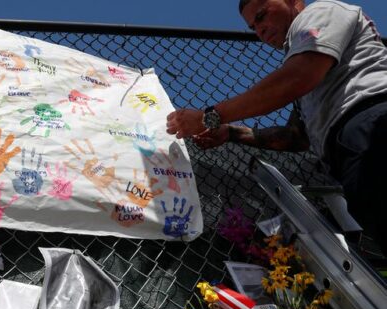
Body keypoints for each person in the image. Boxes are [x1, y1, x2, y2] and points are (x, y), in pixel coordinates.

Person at [166, 0, 387, 252]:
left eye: (262, 16)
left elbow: (297, 77)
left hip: (371, 122)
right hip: (347, 150)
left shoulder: (320, 13)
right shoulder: (309, 75)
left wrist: (210, 116)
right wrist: (230, 132)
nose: (259, 29)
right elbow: (296, 137)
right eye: (253, 27)